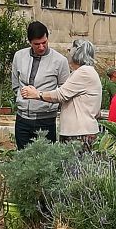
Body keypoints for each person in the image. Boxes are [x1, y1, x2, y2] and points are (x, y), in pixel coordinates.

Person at [20, 39, 102, 150]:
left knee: (75, 166)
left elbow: (61, 95)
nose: (68, 53)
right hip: (79, 131)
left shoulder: (84, 72)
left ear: (77, 53)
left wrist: (37, 94)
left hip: (79, 133)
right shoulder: (85, 72)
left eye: (70, 50)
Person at [11, 21, 70, 149]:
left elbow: (65, 90)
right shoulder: (19, 56)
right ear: (30, 42)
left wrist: (47, 102)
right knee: (22, 159)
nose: (41, 47)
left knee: (45, 161)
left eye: (44, 42)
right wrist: (21, 98)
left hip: (46, 119)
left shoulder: (60, 61)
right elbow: (15, 84)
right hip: (22, 119)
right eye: (37, 44)